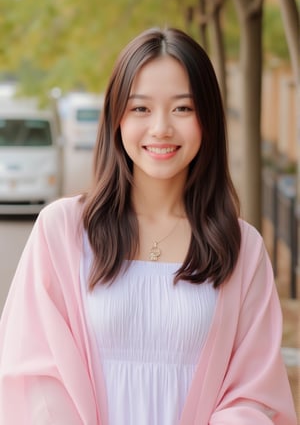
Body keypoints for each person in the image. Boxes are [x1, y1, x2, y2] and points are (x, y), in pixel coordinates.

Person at [0, 27, 297, 425]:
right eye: (140, 108)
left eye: (183, 109)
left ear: (207, 120)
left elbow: (253, 390)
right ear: (116, 118)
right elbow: (34, 372)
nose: (161, 128)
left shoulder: (241, 247)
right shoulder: (63, 230)